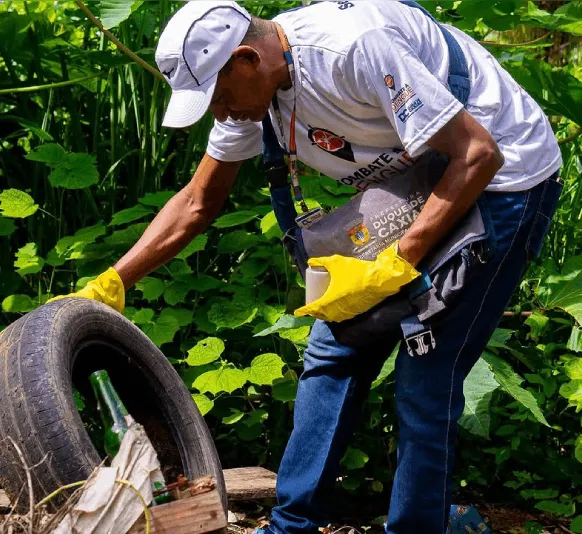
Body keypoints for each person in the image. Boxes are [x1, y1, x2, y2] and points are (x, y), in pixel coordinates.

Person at [51, 1, 563, 532]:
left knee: (427, 368)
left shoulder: (352, 49)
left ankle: (417, 527)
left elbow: (477, 153)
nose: (221, 114)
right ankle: (291, 526)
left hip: (505, 173)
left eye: (220, 98)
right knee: (331, 352)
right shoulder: (258, 91)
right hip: (421, 182)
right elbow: (199, 202)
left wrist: (396, 263)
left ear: (246, 58)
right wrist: (111, 282)